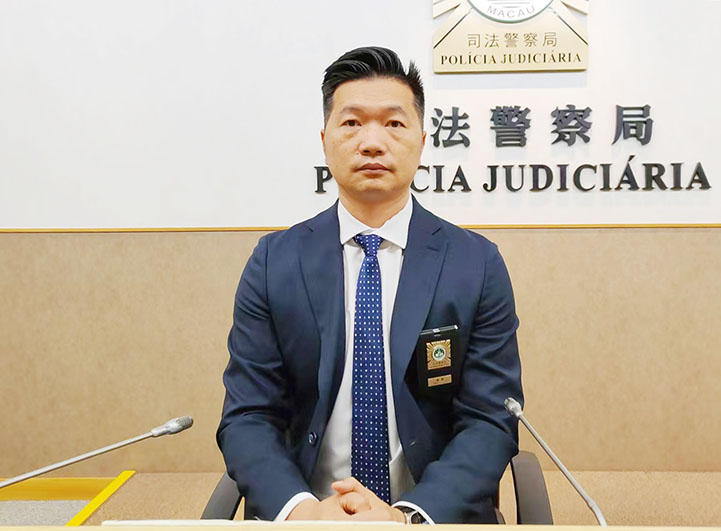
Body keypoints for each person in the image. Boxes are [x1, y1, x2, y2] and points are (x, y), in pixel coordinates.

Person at [217, 46, 523, 524]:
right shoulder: (274, 261)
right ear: (325, 141)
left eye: (394, 124)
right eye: (352, 122)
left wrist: (407, 516)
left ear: (422, 141)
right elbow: (249, 416)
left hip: (425, 518)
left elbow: (490, 420)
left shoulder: (476, 263)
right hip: (309, 518)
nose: (373, 142)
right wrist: (301, 512)